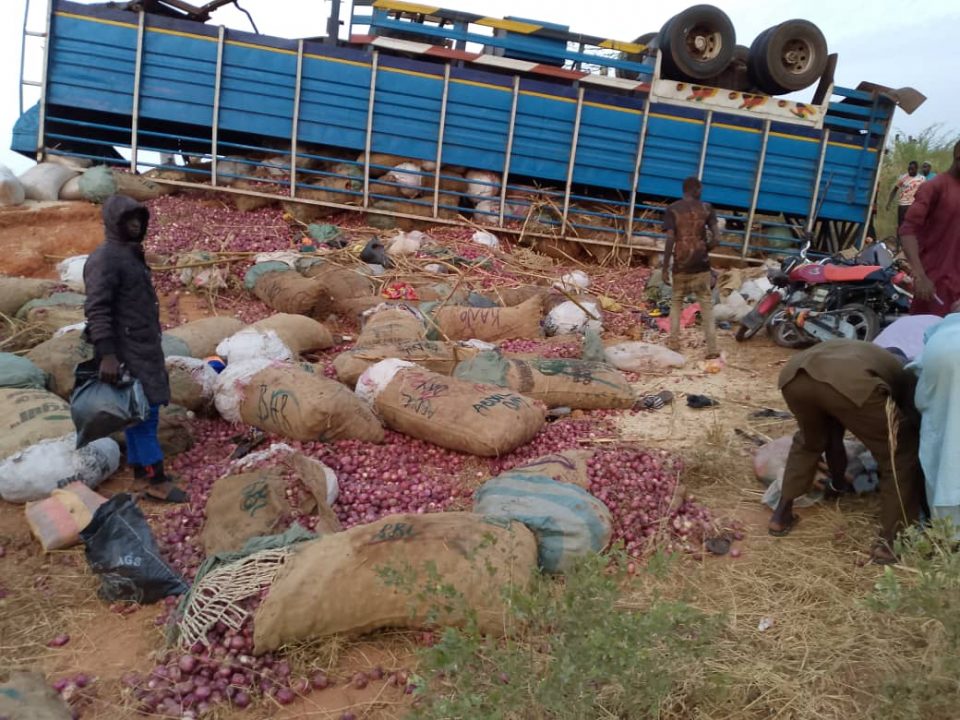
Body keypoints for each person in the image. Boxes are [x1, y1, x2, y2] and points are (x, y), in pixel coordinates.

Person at [768, 340, 923, 564]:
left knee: (810, 443)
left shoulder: (861, 352)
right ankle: (891, 542)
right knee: (899, 454)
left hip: (794, 376)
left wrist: (838, 483)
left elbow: (834, 441)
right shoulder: (901, 373)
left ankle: (781, 515)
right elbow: (914, 422)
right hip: (847, 382)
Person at [83, 194, 187, 503]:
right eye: (128, 219)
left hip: (142, 346)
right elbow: (97, 309)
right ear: (113, 223)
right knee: (145, 414)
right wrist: (107, 354)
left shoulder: (129, 255)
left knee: (134, 411)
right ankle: (156, 479)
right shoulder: (106, 259)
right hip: (125, 351)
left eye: (139, 219)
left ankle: (142, 474)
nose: (135, 224)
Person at [909, 312, 960, 536]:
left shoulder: (938, 334)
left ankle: (948, 533)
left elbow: (921, 399)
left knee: (941, 452)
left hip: (939, 356)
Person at [900, 140, 960, 317]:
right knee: (929, 331)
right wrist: (920, 275)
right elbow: (907, 230)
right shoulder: (935, 187)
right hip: (935, 286)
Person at [662, 176, 720, 359]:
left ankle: (674, 343)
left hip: (681, 265)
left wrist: (665, 267)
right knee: (706, 304)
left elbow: (670, 239)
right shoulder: (707, 208)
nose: (702, 191)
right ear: (696, 189)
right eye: (700, 188)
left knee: (676, 302)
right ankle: (712, 349)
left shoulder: (672, 209)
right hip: (701, 266)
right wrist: (705, 248)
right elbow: (717, 238)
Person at [886, 160, 925, 235]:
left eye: (912, 169)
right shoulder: (903, 177)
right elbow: (894, 190)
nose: (910, 171)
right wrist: (889, 202)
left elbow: (924, 191)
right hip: (902, 205)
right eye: (909, 169)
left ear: (916, 169)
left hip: (913, 205)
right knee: (901, 225)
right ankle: (899, 241)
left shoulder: (922, 179)